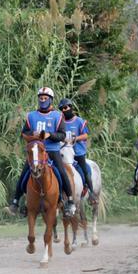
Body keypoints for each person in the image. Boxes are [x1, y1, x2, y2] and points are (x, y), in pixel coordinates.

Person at [8, 86, 74, 215]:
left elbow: (62, 135)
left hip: (52, 149)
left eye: (45, 98)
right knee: (25, 173)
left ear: (50, 100)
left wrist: (50, 135)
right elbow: (24, 133)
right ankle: (16, 201)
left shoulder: (57, 116)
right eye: (40, 98)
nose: (42, 100)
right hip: (36, 151)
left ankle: (70, 201)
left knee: (62, 172)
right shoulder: (31, 116)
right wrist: (33, 135)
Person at [58, 98, 95, 202]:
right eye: (61, 109)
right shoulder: (60, 122)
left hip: (77, 152)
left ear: (71, 107)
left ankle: (91, 194)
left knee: (85, 168)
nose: (64, 110)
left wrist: (76, 138)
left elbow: (85, 135)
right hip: (64, 152)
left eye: (65, 107)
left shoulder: (79, 121)